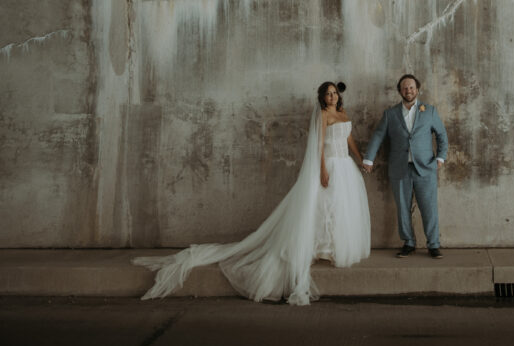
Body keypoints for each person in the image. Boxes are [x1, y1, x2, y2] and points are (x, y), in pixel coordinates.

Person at [133, 81, 370, 306]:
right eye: (327, 93)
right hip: (329, 165)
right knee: (320, 208)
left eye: (334, 93)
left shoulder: (343, 113)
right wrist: (322, 170)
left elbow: (349, 139)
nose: (332, 96)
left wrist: (361, 160)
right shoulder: (322, 115)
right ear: (322, 98)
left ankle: (333, 248)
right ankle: (317, 249)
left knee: (339, 209)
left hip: (345, 167)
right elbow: (318, 146)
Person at [363, 73, 448, 258]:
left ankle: (433, 244)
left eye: (411, 87)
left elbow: (442, 135)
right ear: (400, 91)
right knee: (403, 207)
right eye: (404, 88)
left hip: (425, 168)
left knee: (429, 208)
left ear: (417, 89)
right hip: (400, 169)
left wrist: (440, 158)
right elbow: (378, 136)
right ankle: (408, 242)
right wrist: (368, 159)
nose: (408, 90)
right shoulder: (390, 114)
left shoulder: (430, 111)